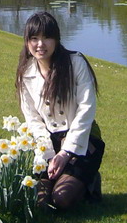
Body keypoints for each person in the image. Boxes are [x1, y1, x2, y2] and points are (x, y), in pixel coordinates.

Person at [15, 11, 104, 210]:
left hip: (83, 139)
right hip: (48, 140)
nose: (40, 44)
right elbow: (32, 119)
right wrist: (47, 152)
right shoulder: (26, 73)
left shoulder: (76, 63)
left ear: (56, 39)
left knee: (62, 199)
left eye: (46, 38)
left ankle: (90, 181)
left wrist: (65, 153)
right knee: (39, 202)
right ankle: (65, 177)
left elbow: (86, 110)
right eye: (34, 38)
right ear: (27, 42)